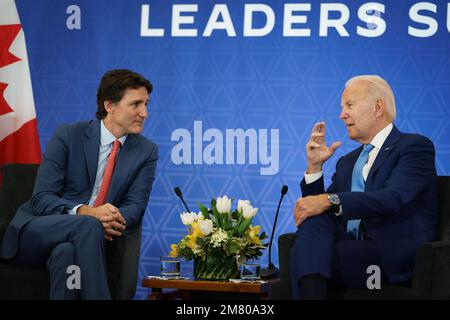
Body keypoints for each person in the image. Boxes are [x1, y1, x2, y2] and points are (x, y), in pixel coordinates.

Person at [0, 69, 159, 299]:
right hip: (36, 231)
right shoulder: (69, 134)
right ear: (109, 106)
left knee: (66, 255)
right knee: (88, 224)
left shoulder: (146, 151)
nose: (144, 113)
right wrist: (88, 213)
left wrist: (109, 219)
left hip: (84, 240)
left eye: (146, 104)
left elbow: (135, 207)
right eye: (135, 104)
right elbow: (42, 198)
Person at [291, 75, 438, 299]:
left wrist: (330, 201)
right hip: (351, 249)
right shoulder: (347, 162)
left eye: (349, 105)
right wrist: (314, 168)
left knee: (304, 255)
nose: (342, 115)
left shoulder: (414, 147)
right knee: (315, 223)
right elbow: (317, 210)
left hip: (386, 259)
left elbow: (393, 198)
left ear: (377, 107)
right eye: (342, 108)